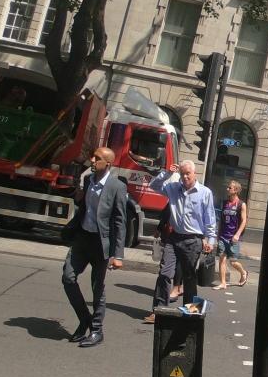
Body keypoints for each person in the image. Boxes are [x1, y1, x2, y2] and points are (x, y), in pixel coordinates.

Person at [61, 147, 128, 347]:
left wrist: (118, 255)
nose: (92, 160)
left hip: (101, 243)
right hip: (82, 238)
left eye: (97, 158)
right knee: (68, 277)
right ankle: (85, 320)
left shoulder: (117, 186)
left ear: (108, 164)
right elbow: (83, 206)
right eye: (93, 156)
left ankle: (97, 330)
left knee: (97, 287)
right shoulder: (88, 179)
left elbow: (120, 221)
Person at [143, 161, 216, 323]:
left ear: (194, 173)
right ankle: (158, 311)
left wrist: (210, 239)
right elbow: (154, 185)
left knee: (189, 278)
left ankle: (190, 313)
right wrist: (167, 173)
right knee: (164, 273)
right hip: (174, 238)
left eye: (188, 173)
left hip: (193, 240)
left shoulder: (205, 193)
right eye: (182, 174)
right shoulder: (173, 188)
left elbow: (210, 218)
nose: (185, 177)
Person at [214, 180, 248, 289]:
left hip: (233, 237)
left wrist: (237, 234)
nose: (227, 189)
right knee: (222, 258)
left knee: (233, 262)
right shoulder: (225, 203)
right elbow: (222, 220)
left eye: (230, 188)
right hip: (223, 235)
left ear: (236, 190)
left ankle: (243, 272)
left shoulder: (241, 204)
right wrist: (218, 233)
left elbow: (244, 221)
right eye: (228, 187)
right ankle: (223, 283)